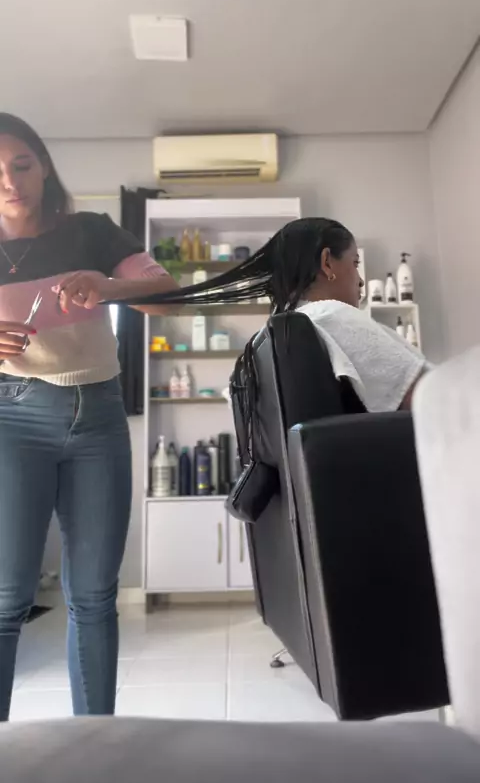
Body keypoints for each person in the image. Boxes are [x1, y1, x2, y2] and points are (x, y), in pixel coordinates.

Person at [0, 113, 178, 722]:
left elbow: (165, 291)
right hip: (13, 420)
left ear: (44, 166)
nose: (11, 182)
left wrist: (107, 286)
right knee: (7, 598)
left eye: (21, 164)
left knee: (96, 598)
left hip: (99, 418)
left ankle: (95, 744)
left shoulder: (91, 231)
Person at [123, 217, 427, 413]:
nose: (360, 281)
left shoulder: (268, 337)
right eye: (354, 263)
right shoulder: (334, 317)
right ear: (327, 263)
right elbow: (430, 401)